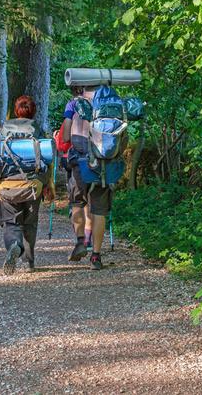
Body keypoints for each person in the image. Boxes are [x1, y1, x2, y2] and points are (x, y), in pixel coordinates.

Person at [0, 96, 55, 275]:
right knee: (30, 223)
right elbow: (49, 160)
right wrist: (44, 183)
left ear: (16, 111)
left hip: (7, 185)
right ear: (33, 112)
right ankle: (29, 263)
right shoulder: (40, 133)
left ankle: (14, 245)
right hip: (32, 185)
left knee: (11, 222)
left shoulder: (1, 134)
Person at [62, 86, 110, 270]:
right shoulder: (108, 103)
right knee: (98, 210)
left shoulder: (74, 104)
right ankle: (96, 257)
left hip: (80, 161)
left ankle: (80, 242)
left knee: (77, 204)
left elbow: (66, 137)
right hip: (104, 163)